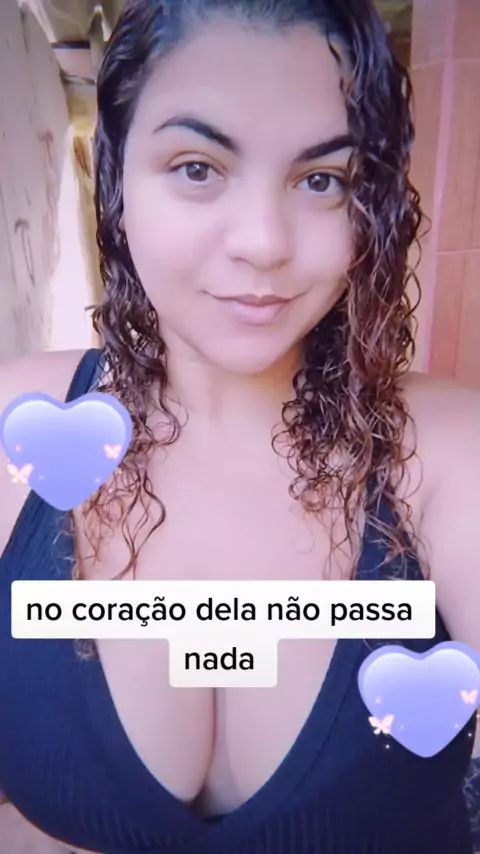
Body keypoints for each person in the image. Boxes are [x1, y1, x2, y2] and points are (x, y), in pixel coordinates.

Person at [0, 0, 479, 852]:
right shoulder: (20, 426)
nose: (262, 241)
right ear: (114, 178)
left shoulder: (447, 452)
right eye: (198, 166)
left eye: (322, 179)